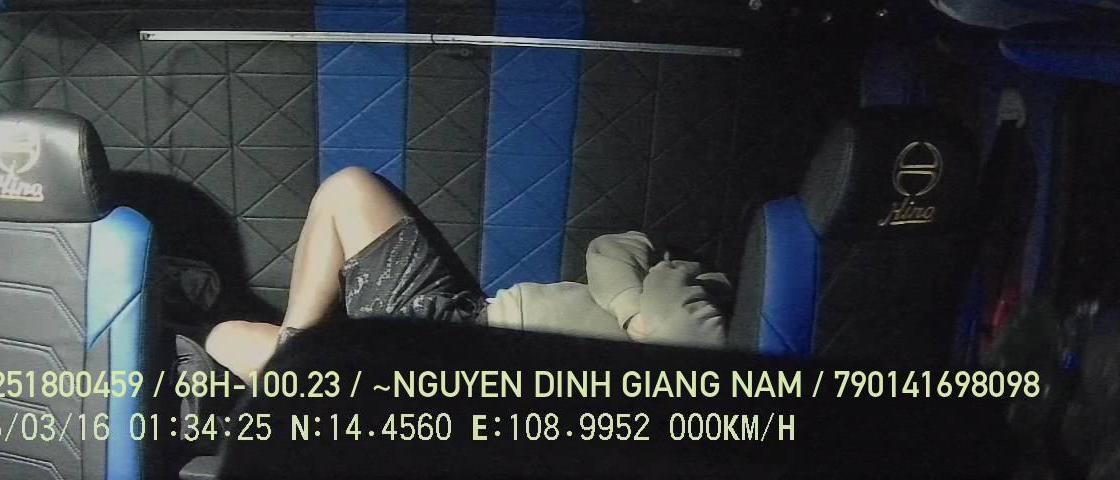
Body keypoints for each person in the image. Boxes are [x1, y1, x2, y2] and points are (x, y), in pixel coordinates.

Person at [205, 167, 731, 380]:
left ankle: (300, 357)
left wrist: (646, 308)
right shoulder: (681, 278)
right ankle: (297, 350)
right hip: (465, 320)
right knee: (228, 338)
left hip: (458, 363)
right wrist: (630, 306)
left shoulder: (709, 330)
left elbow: (668, 332)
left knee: (232, 341)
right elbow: (614, 247)